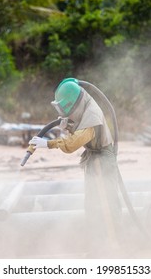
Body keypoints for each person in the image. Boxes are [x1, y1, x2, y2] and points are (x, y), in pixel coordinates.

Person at [29, 78, 123, 257]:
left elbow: (73, 144)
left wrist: (48, 143)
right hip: (95, 159)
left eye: (67, 111)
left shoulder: (92, 116)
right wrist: (69, 126)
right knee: (93, 205)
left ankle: (113, 250)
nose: (66, 114)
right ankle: (98, 249)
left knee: (105, 206)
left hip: (102, 161)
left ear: (74, 105)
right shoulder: (86, 107)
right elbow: (79, 130)